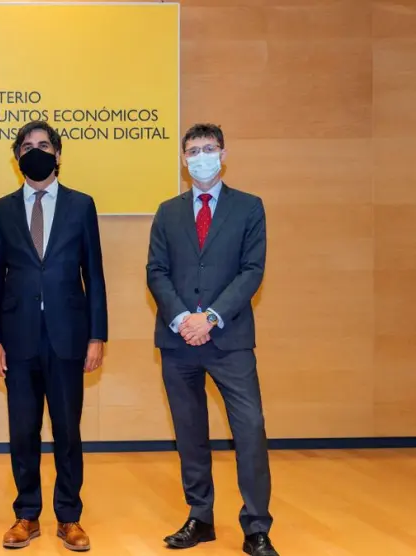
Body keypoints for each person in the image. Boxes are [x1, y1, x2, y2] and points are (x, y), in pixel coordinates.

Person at [145, 123, 278, 556]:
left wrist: (212, 318)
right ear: (184, 160)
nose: (201, 156)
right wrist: (184, 319)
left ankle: (256, 527)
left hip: (230, 339)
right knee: (190, 434)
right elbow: (156, 271)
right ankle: (200, 517)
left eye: (208, 148)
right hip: (178, 340)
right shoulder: (167, 212)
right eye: (193, 150)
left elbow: (252, 271)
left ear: (223, 154)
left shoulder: (249, 207)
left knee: (250, 429)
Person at [0, 120, 108, 552]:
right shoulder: (2, 209)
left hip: (69, 336)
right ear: (17, 158)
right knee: (23, 431)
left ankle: (69, 517)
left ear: (57, 154)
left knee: (68, 430)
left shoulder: (81, 205)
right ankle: (27, 514)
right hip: (17, 339)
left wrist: (97, 335)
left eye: (44, 145)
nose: (35, 151)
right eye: (27, 146)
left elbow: (94, 274)